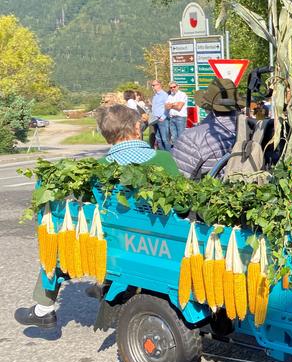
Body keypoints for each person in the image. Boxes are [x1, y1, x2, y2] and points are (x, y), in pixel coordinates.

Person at [14, 105, 180, 329]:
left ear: (105, 134)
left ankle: (44, 308)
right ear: (137, 127)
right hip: (162, 240)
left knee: (61, 238)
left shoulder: (97, 169)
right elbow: (182, 204)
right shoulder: (163, 159)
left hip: (117, 243)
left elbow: (95, 208)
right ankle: (105, 284)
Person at [172, 78, 244, 179]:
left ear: (208, 106)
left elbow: (179, 179)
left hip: (208, 192)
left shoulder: (192, 138)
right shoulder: (254, 131)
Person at [148, 79, 170, 150]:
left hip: (162, 119)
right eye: (152, 85)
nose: (152, 87)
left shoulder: (164, 95)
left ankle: (169, 154)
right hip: (155, 119)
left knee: (164, 139)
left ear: (159, 85)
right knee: (158, 139)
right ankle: (163, 154)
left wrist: (163, 117)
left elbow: (167, 107)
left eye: (153, 85)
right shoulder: (155, 96)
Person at [165, 81, 189, 146]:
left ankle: (183, 152)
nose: (173, 88)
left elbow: (179, 107)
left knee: (181, 136)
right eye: (171, 87)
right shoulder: (170, 96)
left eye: (174, 87)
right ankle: (175, 153)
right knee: (174, 138)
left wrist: (171, 105)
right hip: (172, 118)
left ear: (178, 87)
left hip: (180, 117)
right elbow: (166, 106)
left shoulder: (182, 94)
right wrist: (174, 104)